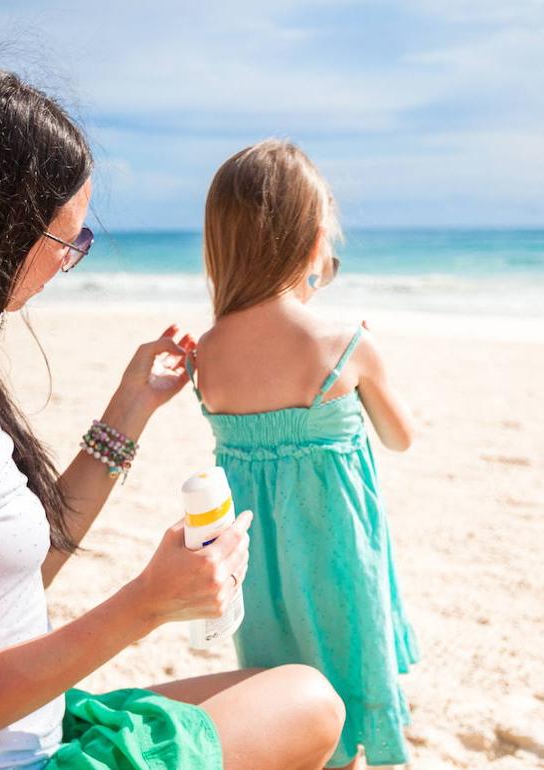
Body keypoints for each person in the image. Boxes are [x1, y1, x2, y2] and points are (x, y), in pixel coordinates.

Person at [0, 62, 344, 770]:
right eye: (67, 244)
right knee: (311, 701)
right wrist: (148, 603)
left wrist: (129, 410)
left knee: (269, 694)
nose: (64, 266)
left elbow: (12, 579)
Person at [183, 140, 420, 769]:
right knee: (347, 673)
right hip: (340, 560)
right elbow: (401, 438)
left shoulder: (206, 355)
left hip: (258, 570)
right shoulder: (344, 344)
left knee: (276, 686)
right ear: (315, 239)